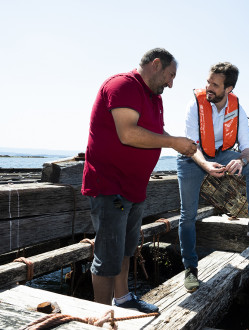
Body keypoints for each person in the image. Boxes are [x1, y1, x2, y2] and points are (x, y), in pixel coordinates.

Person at [81, 48, 196, 312]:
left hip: (134, 188)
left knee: (125, 249)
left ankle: (122, 300)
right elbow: (128, 133)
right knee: (107, 256)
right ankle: (102, 316)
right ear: (156, 64)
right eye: (170, 75)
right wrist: (172, 142)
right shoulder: (123, 85)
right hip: (110, 186)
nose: (171, 83)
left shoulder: (154, 97)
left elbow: (156, 132)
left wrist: (178, 143)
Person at [177, 62, 249, 293]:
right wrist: (206, 165)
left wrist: (241, 160)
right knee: (187, 214)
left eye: (214, 85)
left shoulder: (238, 107)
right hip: (192, 156)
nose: (208, 87)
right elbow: (191, 145)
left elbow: (248, 147)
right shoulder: (194, 104)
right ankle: (190, 268)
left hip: (222, 153)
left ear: (229, 89)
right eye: (208, 82)